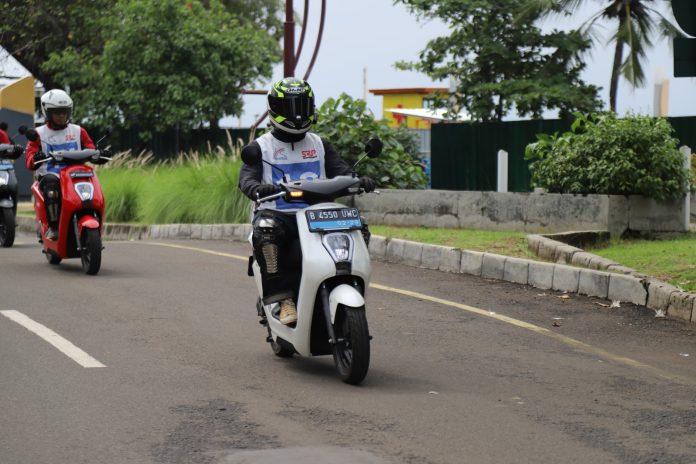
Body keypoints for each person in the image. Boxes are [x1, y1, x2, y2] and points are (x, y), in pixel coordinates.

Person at [238, 77, 376, 325]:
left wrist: (359, 180)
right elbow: (247, 179)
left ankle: (348, 280)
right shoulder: (260, 147)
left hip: (318, 215)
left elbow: (342, 172)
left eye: (302, 106)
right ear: (275, 108)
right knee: (266, 230)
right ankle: (283, 299)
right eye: (291, 107)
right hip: (279, 216)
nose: (298, 114)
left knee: (359, 225)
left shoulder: (320, 144)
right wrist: (256, 187)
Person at [25, 89, 105, 241]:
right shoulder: (38, 134)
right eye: (57, 112)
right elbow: (29, 160)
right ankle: (54, 227)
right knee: (51, 185)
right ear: (47, 112)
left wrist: (100, 155)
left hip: (75, 174)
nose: (62, 115)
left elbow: (91, 148)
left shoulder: (78, 131)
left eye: (65, 111)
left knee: (94, 182)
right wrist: (36, 158)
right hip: (51, 176)